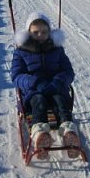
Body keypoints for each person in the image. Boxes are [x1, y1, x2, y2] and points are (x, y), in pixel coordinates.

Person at [10, 11, 80, 159]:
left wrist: (59, 81)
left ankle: (69, 132)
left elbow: (68, 71)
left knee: (61, 102)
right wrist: (33, 82)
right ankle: (41, 135)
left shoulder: (57, 50)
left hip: (55, 87)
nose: (40, 35)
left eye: (44, 32)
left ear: (50, 32)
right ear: (29, 32)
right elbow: (16, 76)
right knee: (39, 103)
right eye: (36, 32)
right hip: (33, 90)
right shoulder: (21, 52)